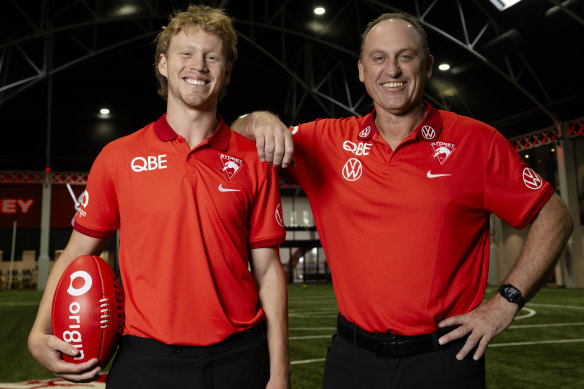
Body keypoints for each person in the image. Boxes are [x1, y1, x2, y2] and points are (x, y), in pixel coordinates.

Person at [231, 12, 573, 389]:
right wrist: (261, 119)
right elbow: (238, 135)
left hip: (444, 362)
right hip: (352, 360)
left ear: (426, 66)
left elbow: (554, 215)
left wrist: (506, 301)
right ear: (361, 70)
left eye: (405, 57)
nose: (391, 70)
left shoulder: (477, 141)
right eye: (379, 58)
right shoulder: (326, 141)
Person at [28, 5, 290, 389]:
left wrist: (280, 373)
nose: (198, 65)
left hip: (238, 358)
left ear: (226, 72)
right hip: (145, 360)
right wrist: (38, 331)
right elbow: (76, 254)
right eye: (186, 53)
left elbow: (268, 271)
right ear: (163, 64)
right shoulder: (118, 156)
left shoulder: (253, 160)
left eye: (212, 56)